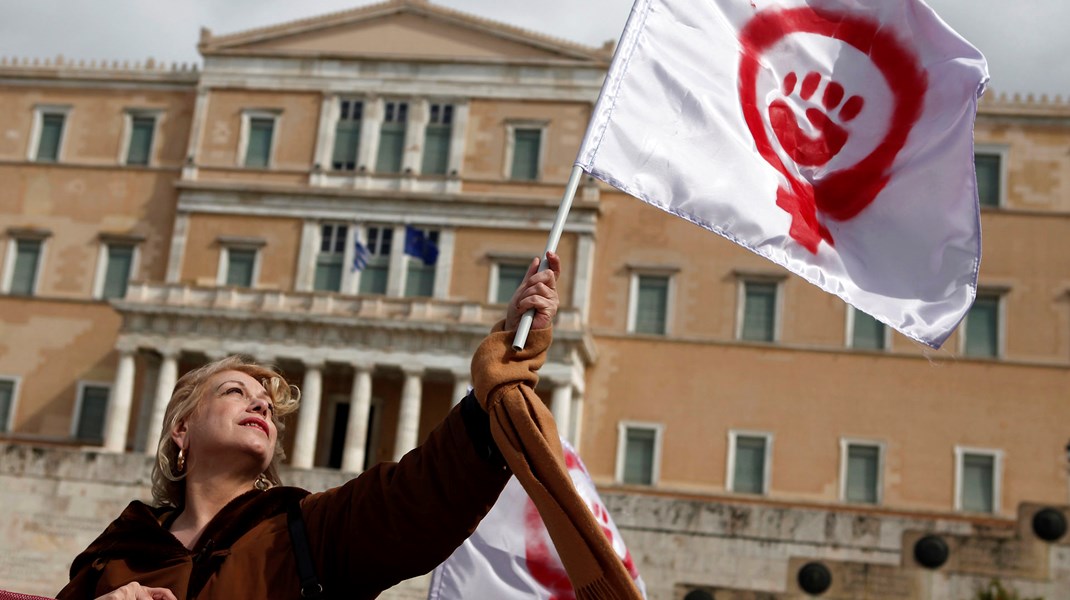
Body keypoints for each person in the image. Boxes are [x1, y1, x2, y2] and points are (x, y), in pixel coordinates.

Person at [57, 252, 562, 600]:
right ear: (181, 431)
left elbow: (423, 495)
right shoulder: (112, 559)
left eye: (268, 407)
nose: (260, 406)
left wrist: (505, 363)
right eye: (235, 392)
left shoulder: (310, 532)